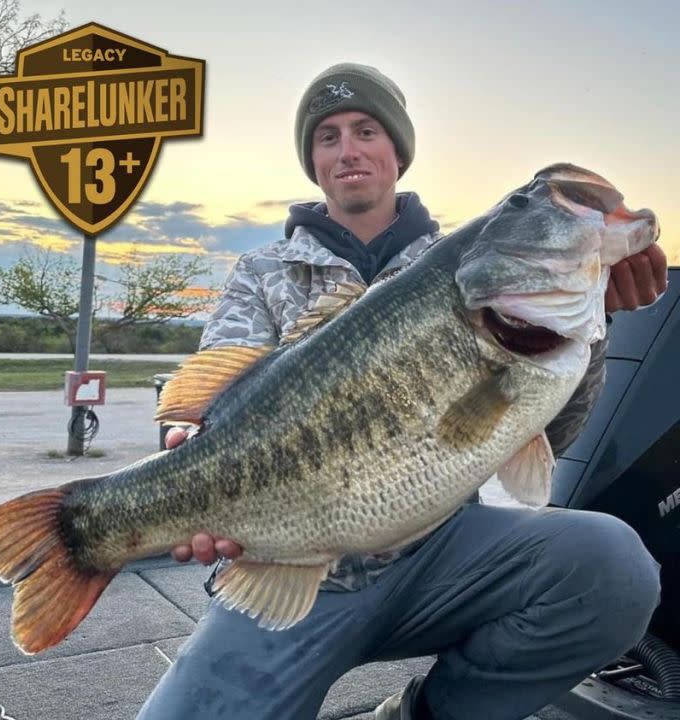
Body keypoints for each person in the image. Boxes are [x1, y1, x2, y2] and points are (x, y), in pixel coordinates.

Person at [137, 63, 668, 720]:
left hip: (441, 555)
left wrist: (596, 322)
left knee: (610, 565)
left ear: (397, 150)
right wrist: (182, 448)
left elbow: (550, 436)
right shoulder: (261, 271)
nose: (348, 149)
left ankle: (423, 715)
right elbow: (212, 394)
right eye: (327, 136)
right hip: (288, 570)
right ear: (312, 159)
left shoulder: (464, 262)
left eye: (366, 129)